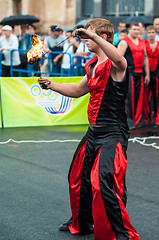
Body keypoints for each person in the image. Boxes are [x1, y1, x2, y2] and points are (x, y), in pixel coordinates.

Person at [38, 18, 140, 240]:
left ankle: (120, 234)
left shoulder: (115, 65)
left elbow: (120, 59)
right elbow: (76, 90)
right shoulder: (92, 65)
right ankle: (82, 222)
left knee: (102, 183)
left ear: (102, 38)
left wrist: (91, 34)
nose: (84, 39)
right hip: (93, 133)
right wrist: (51, 85)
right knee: (77, 177)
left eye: (89, 35)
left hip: (113, 134)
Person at [117, 22, 150, 129]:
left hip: (140, 74)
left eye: (138, 29)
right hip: (129, 73)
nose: (136, 31)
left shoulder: (142, 42)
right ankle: (128, 122)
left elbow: (145, 59)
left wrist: (147, 74)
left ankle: (138, 121)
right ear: (129, 30)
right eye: (134, 29)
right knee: (128, 98)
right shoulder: (124, 42)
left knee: (139, 98)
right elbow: (117, 59)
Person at [144, 25, 159, 125]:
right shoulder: (143, 44)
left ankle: (156, 118)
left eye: (153, 32)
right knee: (145, 96)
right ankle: (147, 118)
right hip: (146, 74)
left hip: (157, 73)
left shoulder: (158, 44)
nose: (151, 35)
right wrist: (146, 74)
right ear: (146, 33)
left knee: (156, 96)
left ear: (155, 33)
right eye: (149, 33)